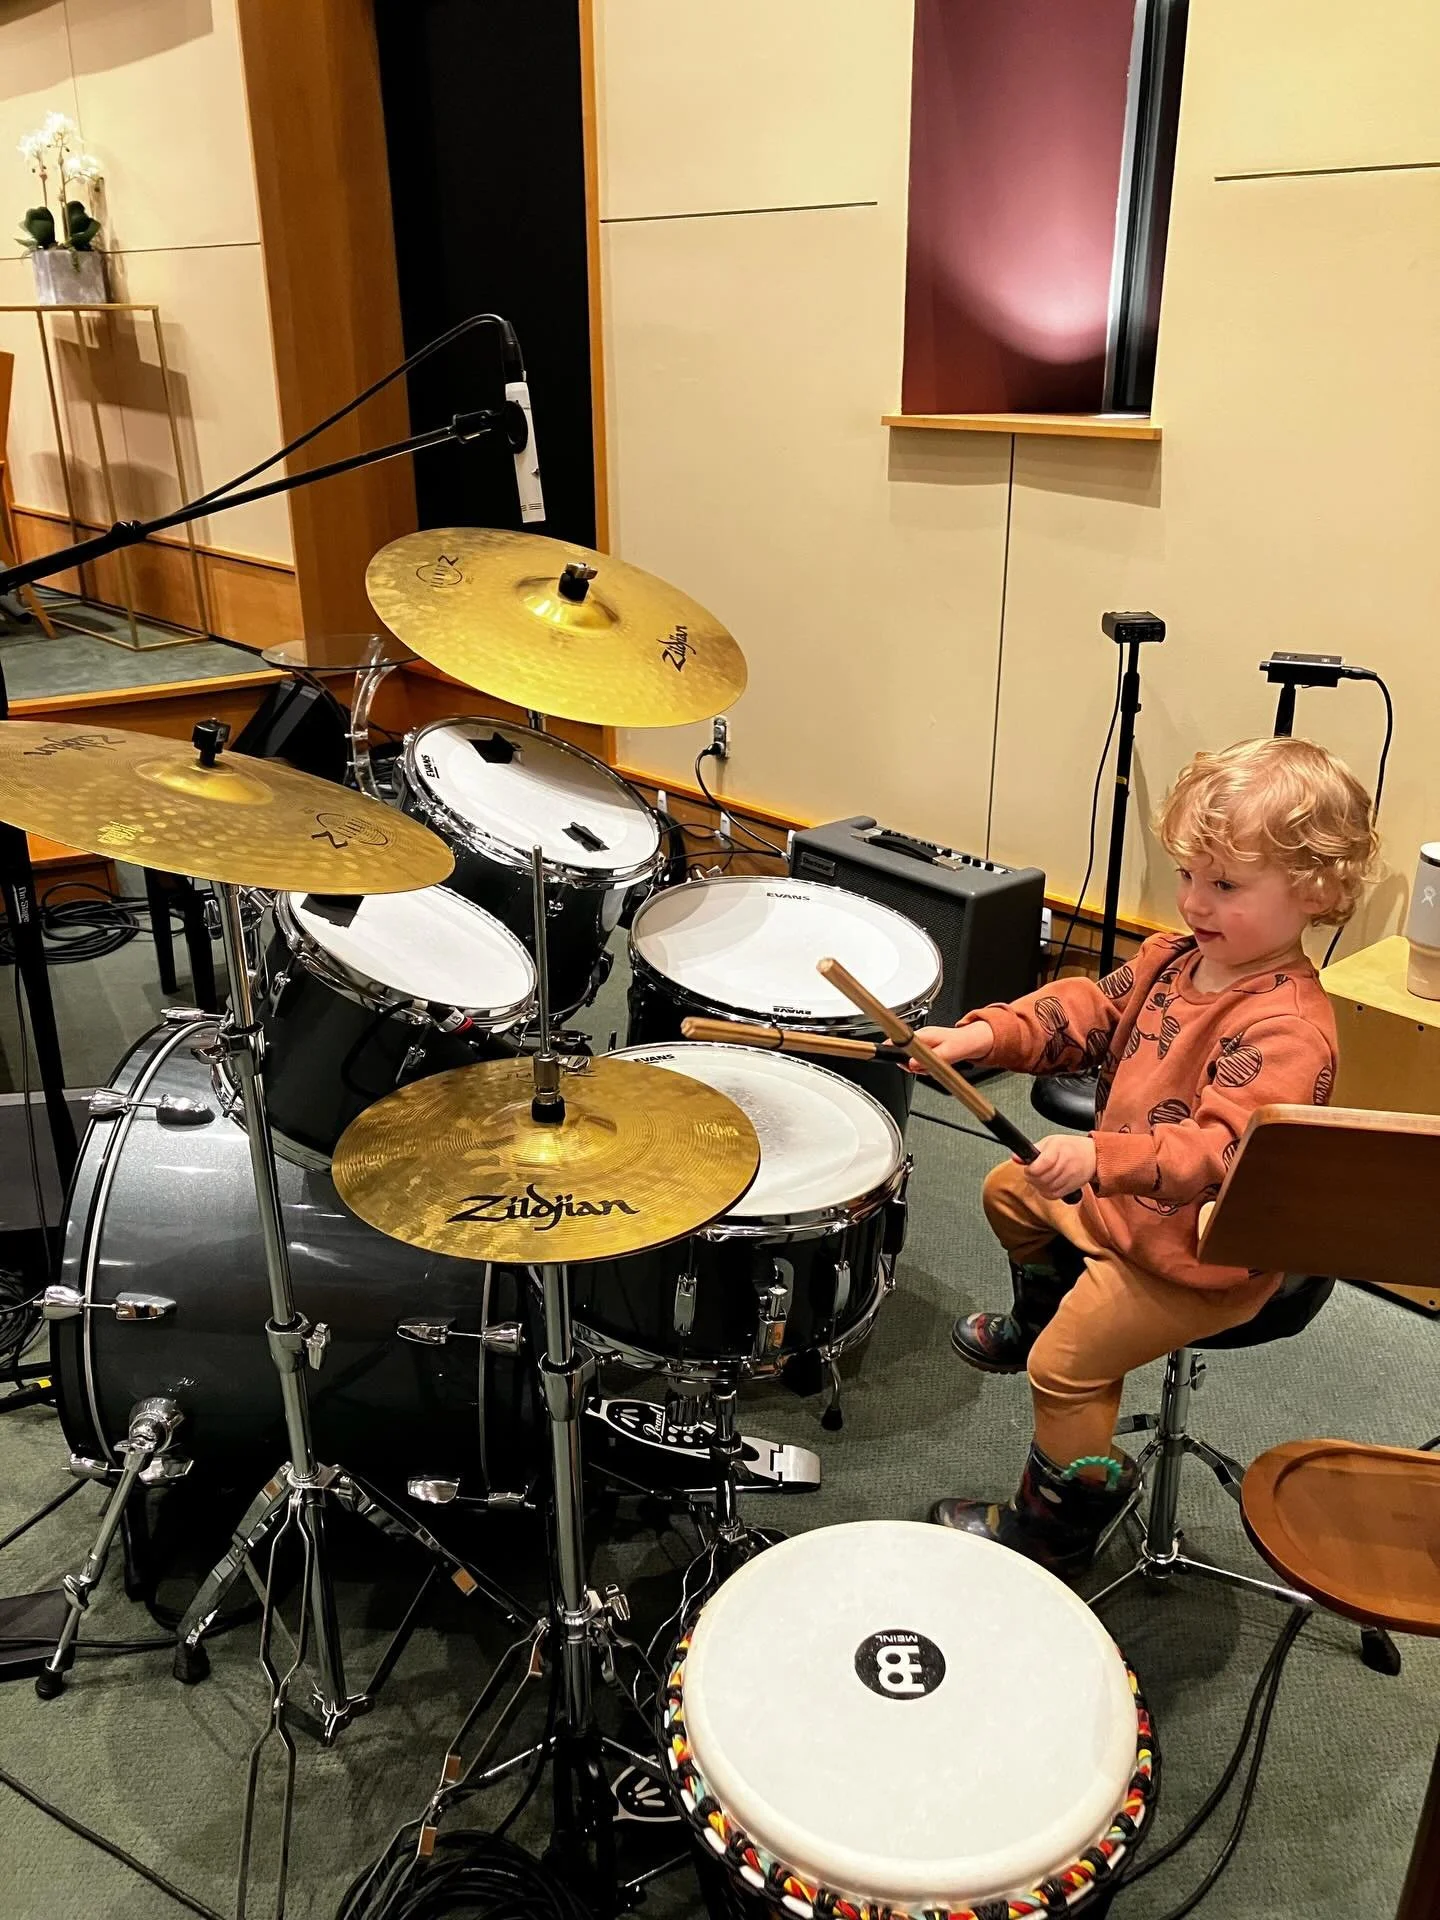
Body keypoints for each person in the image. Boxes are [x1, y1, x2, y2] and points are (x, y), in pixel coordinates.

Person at [916, 736, 1379, 1576]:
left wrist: (1101, 1159)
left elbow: (1214, 1150)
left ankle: (1054, 1532)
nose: (1196, 902)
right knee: (1007, 1193)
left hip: (1193, 1257)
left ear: (1315, 890)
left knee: (1064, 1371)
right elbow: (1089, 1009)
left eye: (1226, 885)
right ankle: (1042, 1312)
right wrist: (985, 1033)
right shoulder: (1176, 957)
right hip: (1121, 1209)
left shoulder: (1287, 1029)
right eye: (1190, 876)